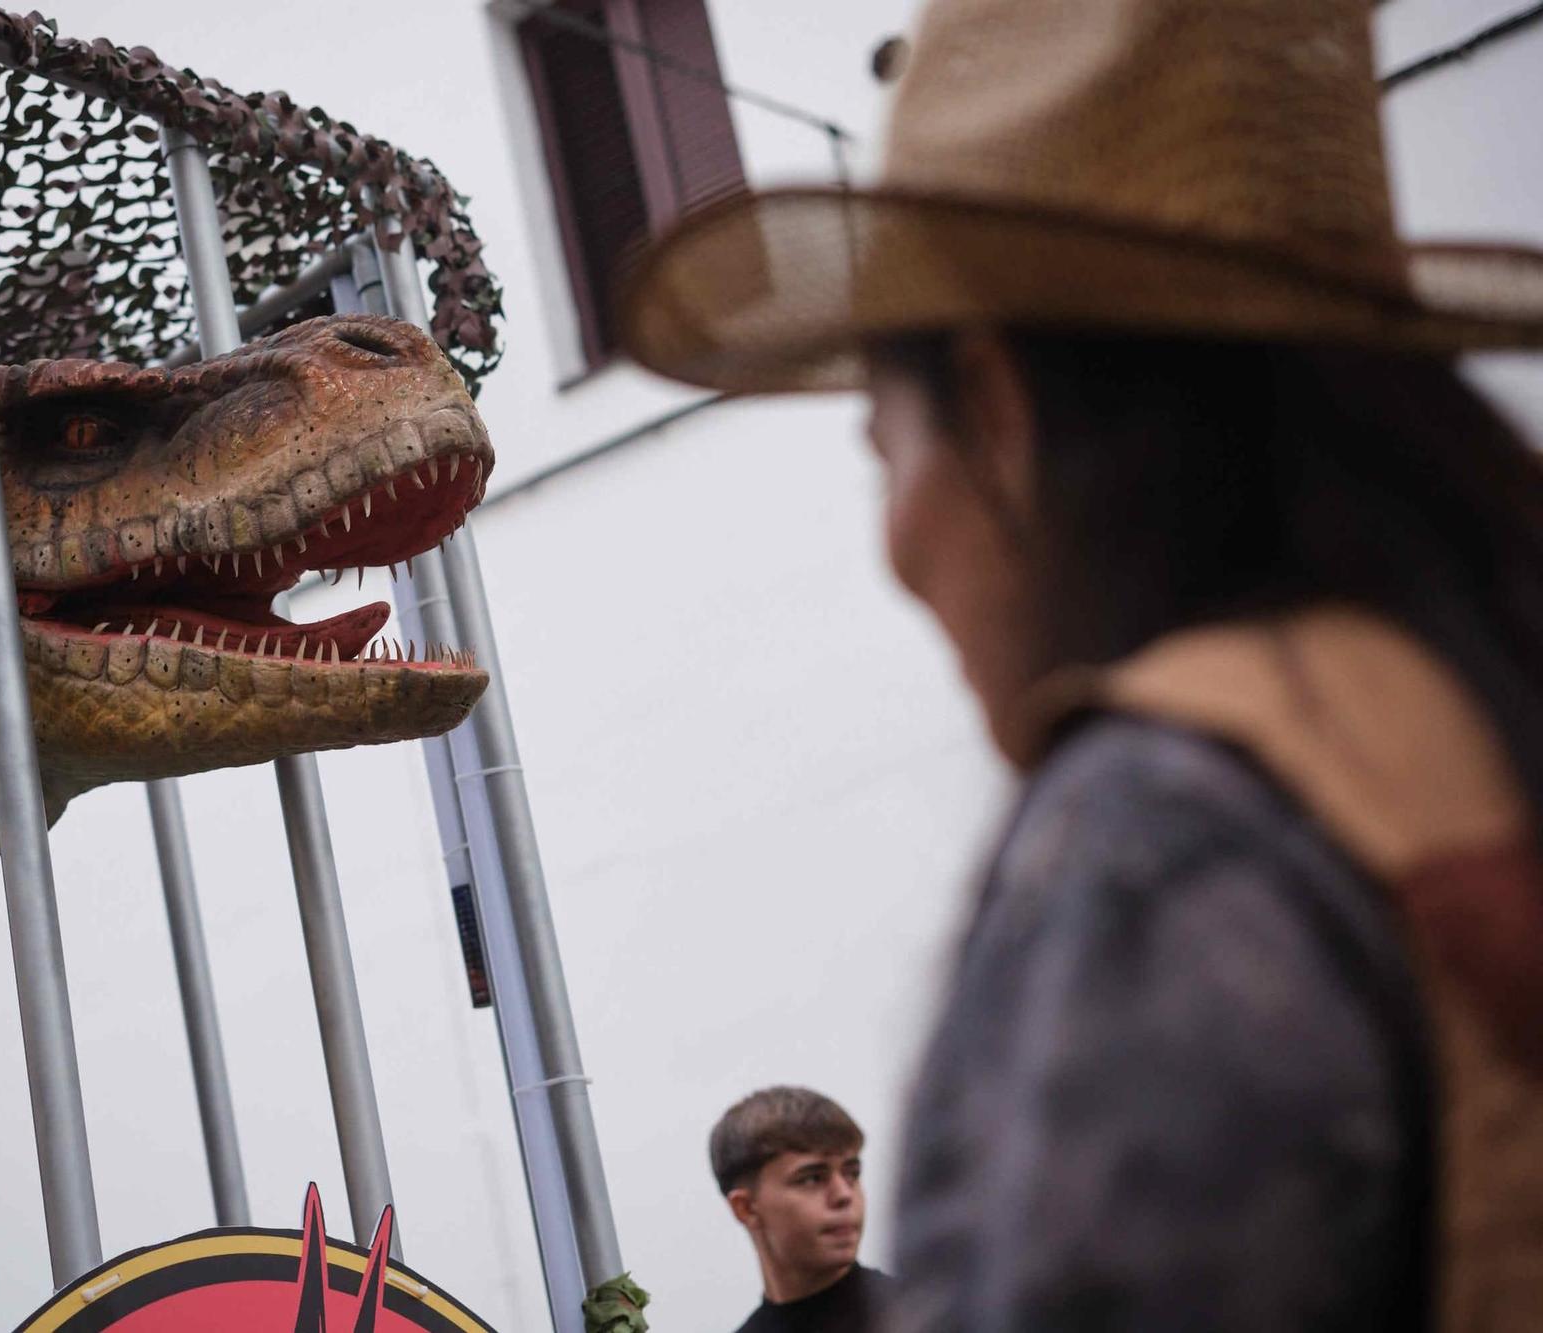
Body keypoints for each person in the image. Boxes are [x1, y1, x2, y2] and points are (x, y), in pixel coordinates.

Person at [620, 0, 1543, 1328]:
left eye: (885, 449)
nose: (895, 540)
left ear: (996, 411)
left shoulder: (1158, 835)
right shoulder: (1482, 699)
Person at [711, 1087, 890, 1331]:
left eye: (852, 1174)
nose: (844, 1194)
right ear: (746, 1208)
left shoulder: (925, 1317)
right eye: (812, 1178)